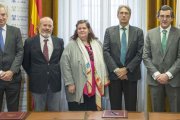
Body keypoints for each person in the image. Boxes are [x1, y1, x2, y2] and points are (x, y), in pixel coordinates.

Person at [60, 20, 110, 111]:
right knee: (77, 114)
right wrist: (70, 83)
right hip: (78, 85)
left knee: (93, 113)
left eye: (84, 28)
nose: (82, 30)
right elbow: (64, 65)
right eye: (79, 28)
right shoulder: (71, 45)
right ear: (76, 31)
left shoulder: (97, 43)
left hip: (95, 85)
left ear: (89, 30)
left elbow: (104, 62)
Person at [103, 5, 144, 111]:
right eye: (121, 13)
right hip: (114, 76)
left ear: (130, 16)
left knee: (131, 108)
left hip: (130, 75)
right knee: (115, 108)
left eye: (126, 13)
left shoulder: (138, 32)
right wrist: (117, 70)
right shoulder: (109, 31)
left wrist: (126, 70)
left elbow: (140, 54)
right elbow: (106, 52)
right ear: (117, 15)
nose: (124, 15)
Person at [143, 5, 180, 112]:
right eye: (162, 16)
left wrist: (168, 75)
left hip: (174, 80)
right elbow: (146, 56)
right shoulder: (150, 34)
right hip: (155, 80)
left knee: (176, 112)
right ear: (157, 17)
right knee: (157, 113)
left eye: (168, 16)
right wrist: (157, 75)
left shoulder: (178, 34)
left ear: (172, 18)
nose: (164, 19)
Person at [22, 17, 64, 111]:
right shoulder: (29, 42)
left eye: (50, 26)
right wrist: (35, 74)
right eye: (45, 25)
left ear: (53, 28)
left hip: (55, 83)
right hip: (37, 83)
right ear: (38, 26)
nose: (47, 28)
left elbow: (62, 61)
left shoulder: (59, 41)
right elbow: (25, 62)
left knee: (54, 113)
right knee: (38, 112)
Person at [0, 4, 24, 111]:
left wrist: (11, 71)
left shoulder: (15, 31)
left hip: (13, 79)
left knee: (13, 113)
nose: (1, 17)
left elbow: (20, 52)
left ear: (7, 15)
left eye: (3, 14)